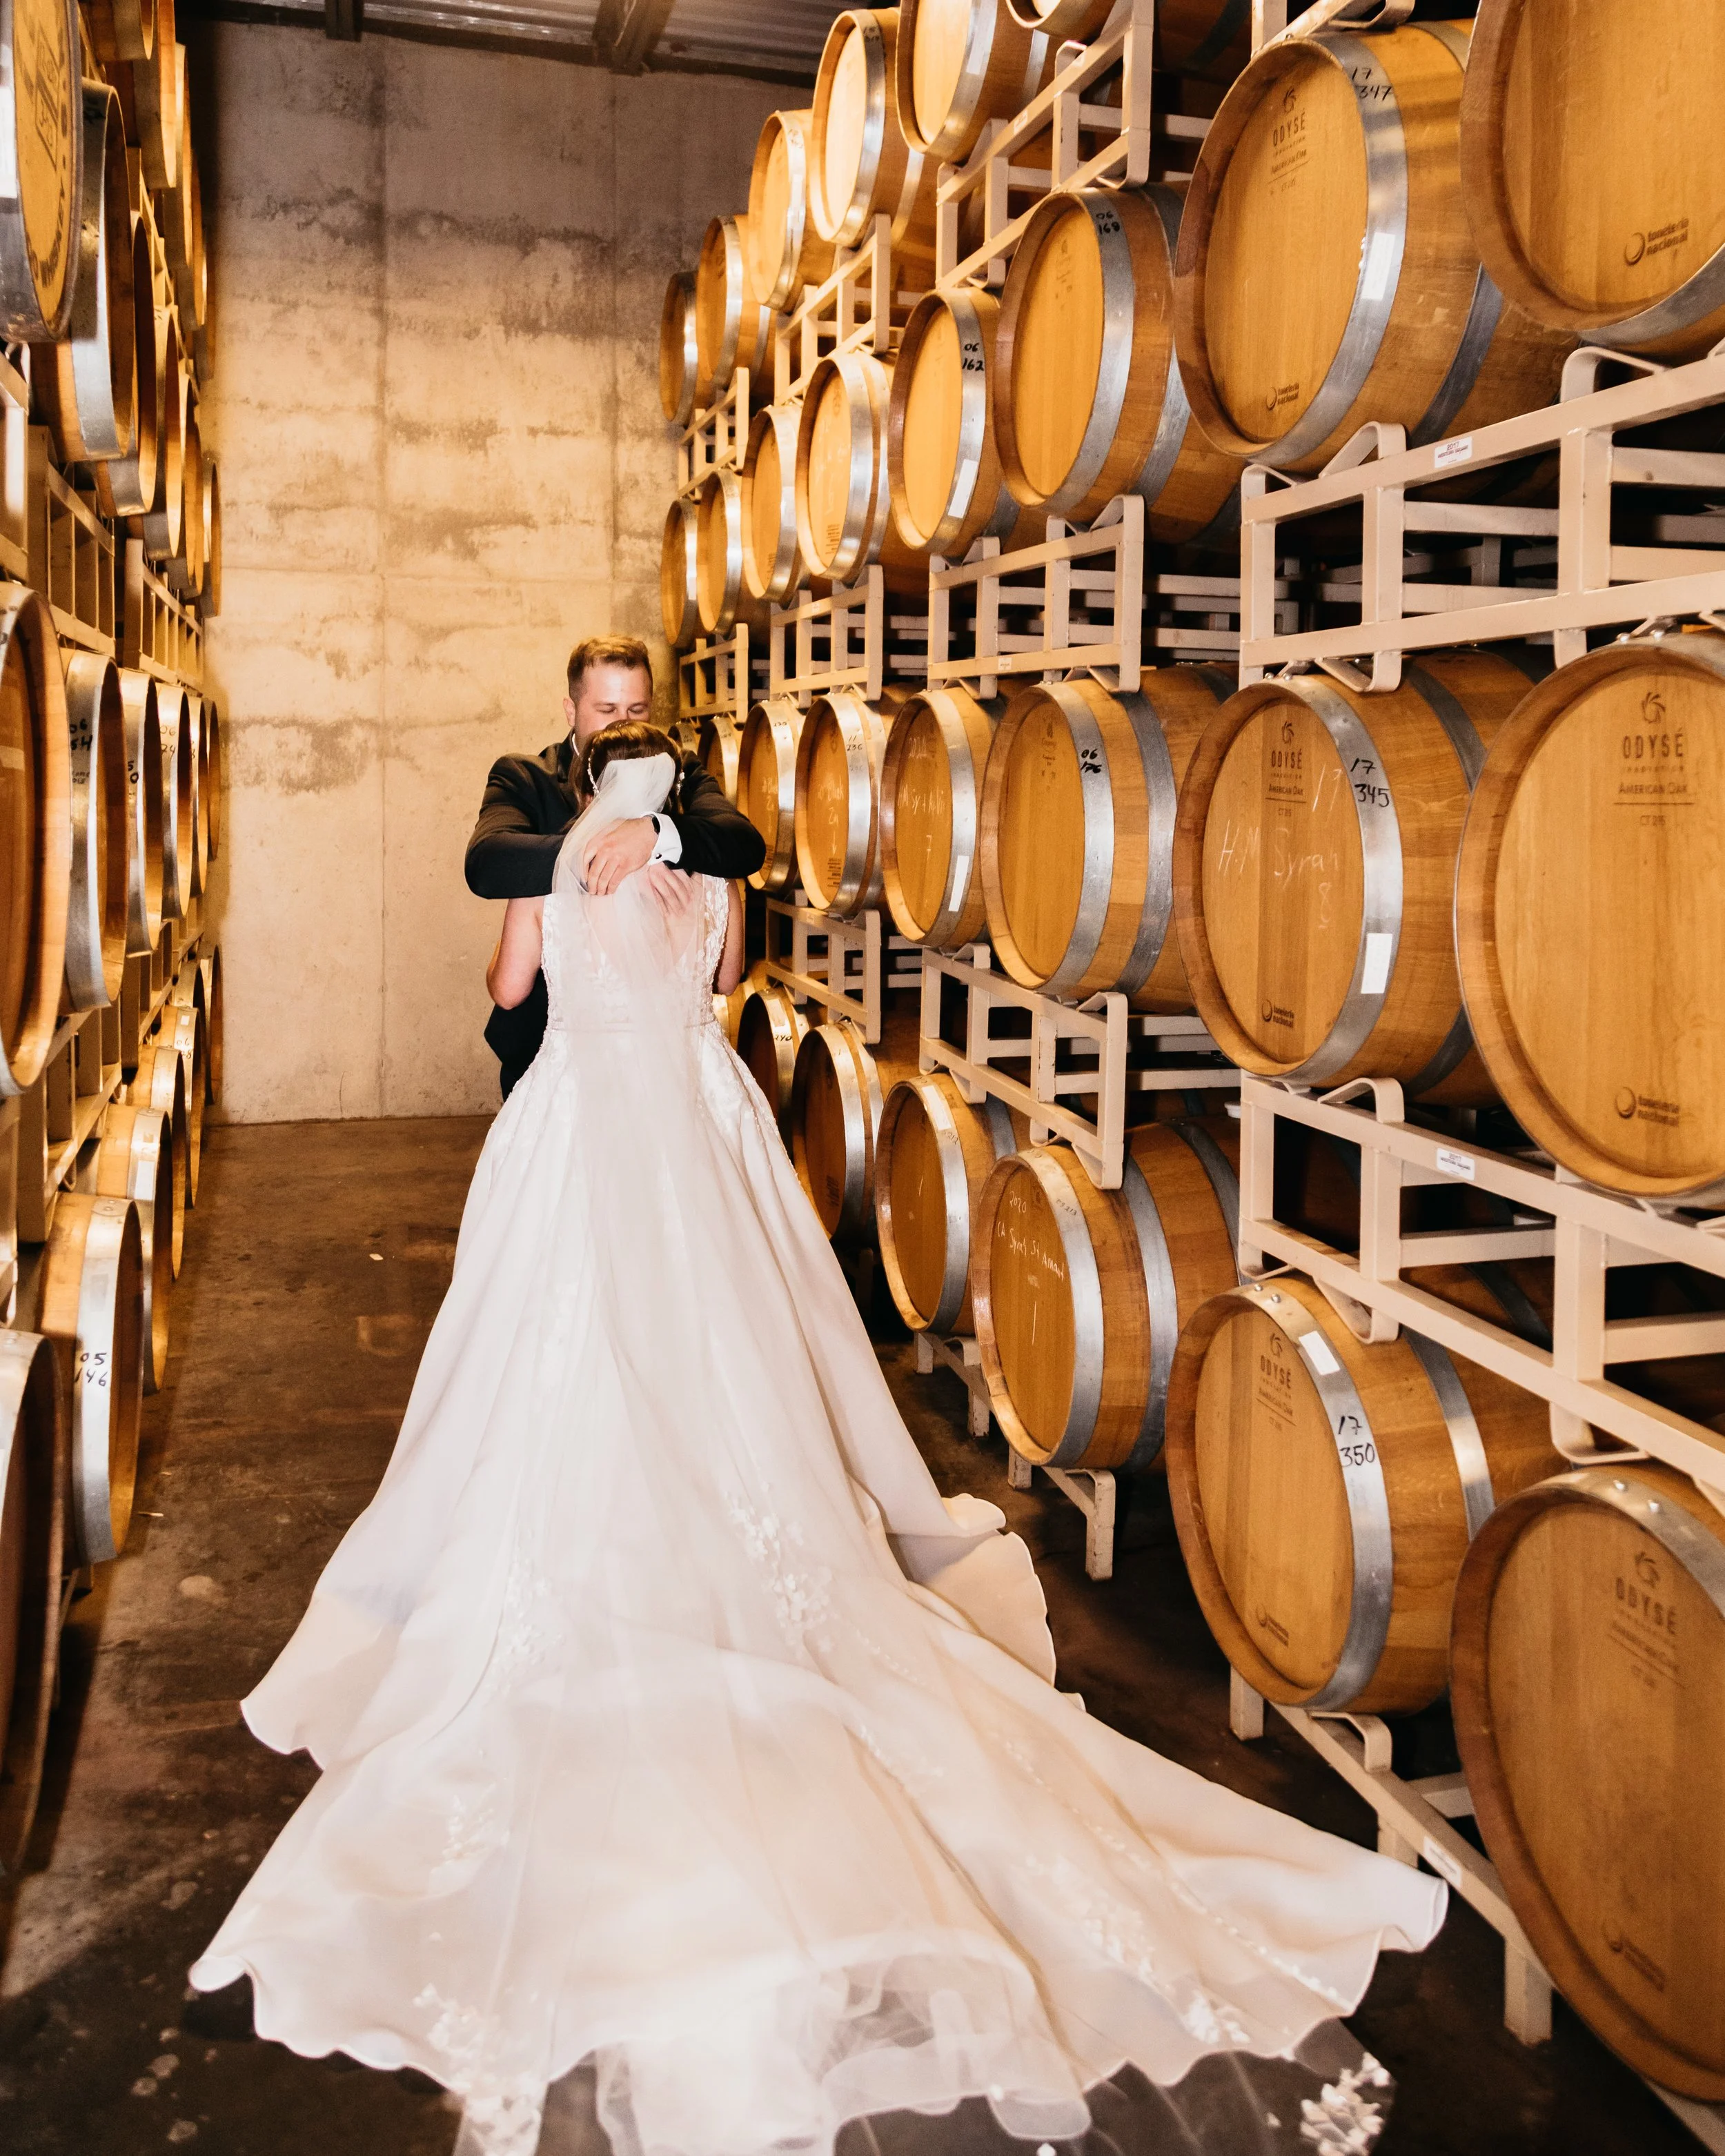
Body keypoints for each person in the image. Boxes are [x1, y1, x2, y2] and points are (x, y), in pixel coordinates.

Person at [191, 724, 1446, 2156]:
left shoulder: (566, 857)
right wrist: (663, 869)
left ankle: (588, 1540)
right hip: (695, 1113)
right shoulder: (704, 868)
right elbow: (726, 980)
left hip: (586, 1116)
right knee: (735, 1345)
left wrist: (574, 895)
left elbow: (510, 984)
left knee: (560, 1336)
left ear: (586, 766)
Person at [464, 633, 764, 1097]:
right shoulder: (525, 774)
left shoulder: (678, 770)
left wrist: (656, 833)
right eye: (606, 710)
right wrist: (599, 845)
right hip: (548, 1048)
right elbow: (486, 862)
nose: (621, 724)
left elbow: (744, 845)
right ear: (572, 711)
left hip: (670, 1061)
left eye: (637, 710)